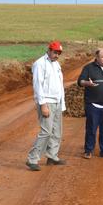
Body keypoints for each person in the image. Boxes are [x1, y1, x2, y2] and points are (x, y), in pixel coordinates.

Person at [26, 41, 66, 171]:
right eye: (55, 52)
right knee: (46, 132)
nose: (57, 55)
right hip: (46, 102)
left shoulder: (57, 65)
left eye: (59, 53)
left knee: (57, 132)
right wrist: (43, 104)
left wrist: (62, 103)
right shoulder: (40, 64)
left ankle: (52, 156)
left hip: (57, 101)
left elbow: (60, 85)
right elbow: (37, 85)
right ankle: (32, 158)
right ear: (49, 50)